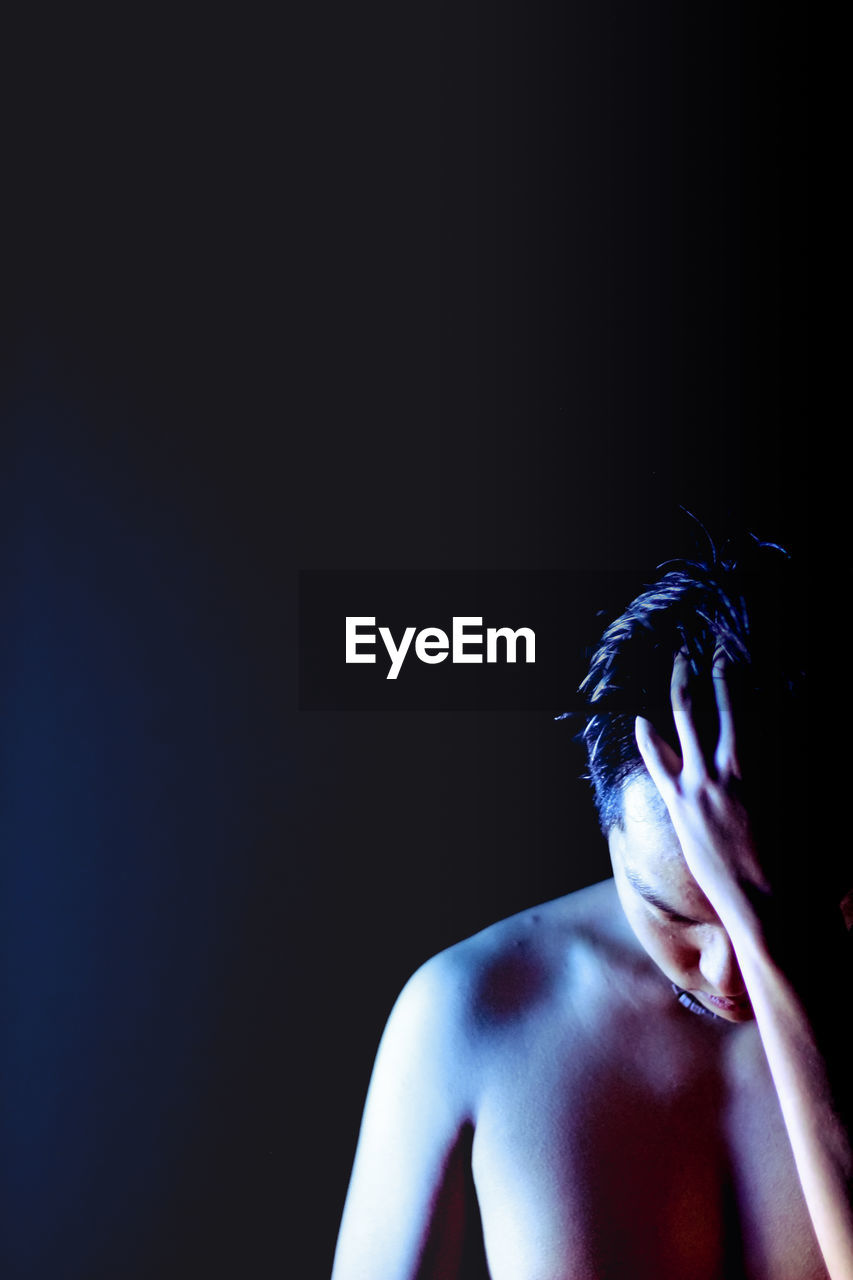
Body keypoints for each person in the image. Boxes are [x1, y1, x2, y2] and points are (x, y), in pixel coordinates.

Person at [332, 537, 851, 1280]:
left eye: (774, 906)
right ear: (606, 834)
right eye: (675, 915)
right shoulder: (475, 1012)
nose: (728, 967)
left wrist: (791, 962)